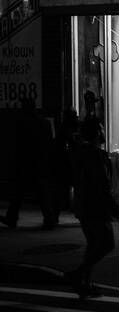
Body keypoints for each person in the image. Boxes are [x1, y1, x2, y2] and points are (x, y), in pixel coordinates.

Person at [65, 115, 119, 299]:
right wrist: (114, 207)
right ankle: (78, 274)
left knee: (93, 244)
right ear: (97, 133)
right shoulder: (95, 155)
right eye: (101, 128)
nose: (104, 131)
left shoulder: (81, 152)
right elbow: (102, 184)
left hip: (83, 204)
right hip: (94, 205)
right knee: (106, 243)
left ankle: (84, 283)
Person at [2, 97, 57, 229]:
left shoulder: (21, 123)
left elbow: (18, 145)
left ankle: (12, 218)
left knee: (18, 193)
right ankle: (49, 218)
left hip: (26, 163)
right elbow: (49, 144)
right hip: (40, 162)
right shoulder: (44, 123)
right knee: (42, 192)